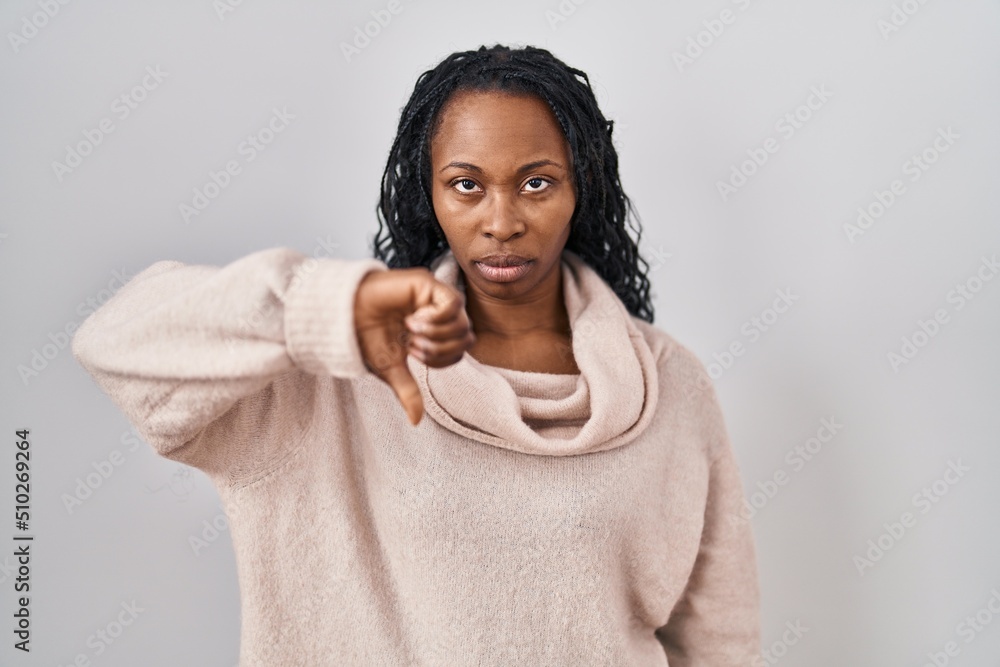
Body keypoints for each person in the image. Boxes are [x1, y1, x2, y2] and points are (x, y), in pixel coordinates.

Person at [73, 44, 761, 666]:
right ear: (429, 194)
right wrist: (321, 310)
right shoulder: (330, 378)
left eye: (537, 182)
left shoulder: (670, 383)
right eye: (467, 184)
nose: (501, 220)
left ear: (583, 188)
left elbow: (718, 639)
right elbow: (114, 344)